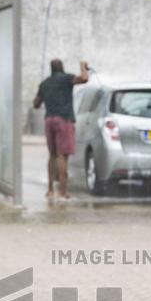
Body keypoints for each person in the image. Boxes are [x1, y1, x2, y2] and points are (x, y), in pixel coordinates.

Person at [33, 59, 89, 199]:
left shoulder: (45, 83)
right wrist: (83, 66)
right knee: (62, 156)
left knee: (52, 155)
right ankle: (63, 192)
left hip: (49, 120)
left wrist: (46, 96)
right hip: (64, 120)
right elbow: (84, 78)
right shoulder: (66, 79)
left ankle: (51, 190)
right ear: (62, 67)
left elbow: (36, 104)